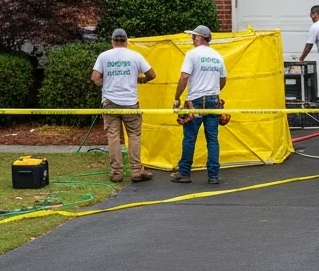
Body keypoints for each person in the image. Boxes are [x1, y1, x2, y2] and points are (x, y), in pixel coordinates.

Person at [91, 28, 157, 183]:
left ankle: (116, 173)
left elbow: (95, 77)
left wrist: (105, 85)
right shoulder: (135, 56)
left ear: (112, 41)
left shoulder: (104, 56)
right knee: (134, 135)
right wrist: (142, 80)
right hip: (130, 103)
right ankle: (136, 171)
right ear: (126, 41)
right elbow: (152, 74)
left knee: (113, 137)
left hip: (109, 102)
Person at [171, 25, 227, 186]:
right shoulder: (217, 56)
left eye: (194, 37)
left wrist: (177, 98)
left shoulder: (192, 55)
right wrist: (214, 92)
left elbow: (184, 77)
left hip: (195, 101)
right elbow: (223, 79)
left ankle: (184, 173)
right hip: (213, 101)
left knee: (189, 138)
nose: (192, 39)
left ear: (201, 38)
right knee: (212, 139)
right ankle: (214, 176)